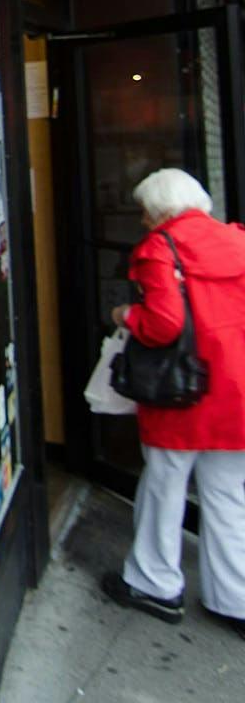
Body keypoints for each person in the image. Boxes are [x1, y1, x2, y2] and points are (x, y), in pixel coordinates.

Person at [102, 168, 245, 639]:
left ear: (160, 210)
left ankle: (154, 583)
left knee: (164, 487)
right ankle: (236, 599)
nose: (143, 221)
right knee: (227, 495)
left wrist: (127, 313)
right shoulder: (237, 240)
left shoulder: (160, 248)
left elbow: (163, 324)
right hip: (236, 392)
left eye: (145, 211)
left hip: (184, 392)